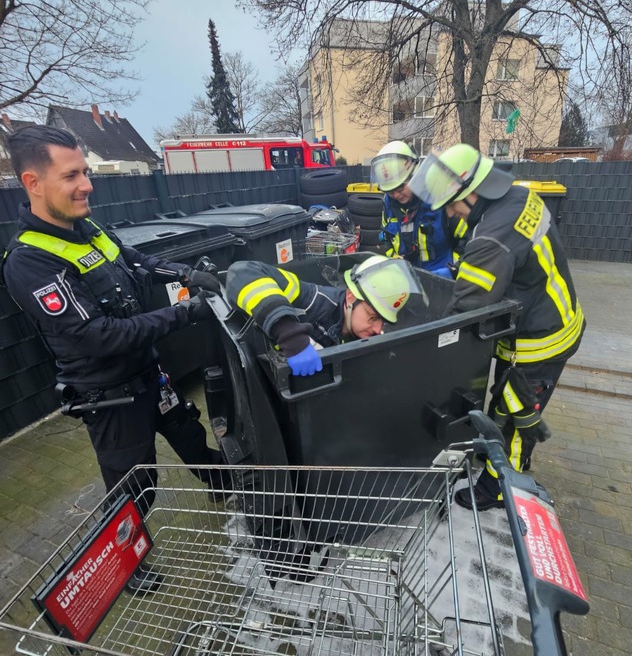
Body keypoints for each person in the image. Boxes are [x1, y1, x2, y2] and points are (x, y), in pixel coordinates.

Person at [1, 126, 232, 591]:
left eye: (85, 172)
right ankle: (123, 564)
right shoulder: (30, 262)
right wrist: (186, 311)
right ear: (33, 183)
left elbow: (138, 262)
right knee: (135, 488)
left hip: (149, 373)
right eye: (72, 175)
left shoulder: (86, 230)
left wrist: (187, 274)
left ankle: (224, 487)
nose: (87, 184)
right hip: (111, 397)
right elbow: (99, 336)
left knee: (191, 434)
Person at [409, 143, 585, 511]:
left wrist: (425, 344)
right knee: (508, 402)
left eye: (452, 205)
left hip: (537, 341)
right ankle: (500, 458)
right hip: (554, 315)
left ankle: (499, 487)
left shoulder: (491, 238)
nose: (451, 213)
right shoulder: (519, 197)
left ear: (472, 192)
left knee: (514, 417)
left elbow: (466, 310)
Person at [226, 255, 425, 375]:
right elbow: (242, 271)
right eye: (372, 317)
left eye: (383, 321)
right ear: (350, 296)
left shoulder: (357, 331)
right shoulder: (312, 300)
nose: (377, 329)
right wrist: (290, 335)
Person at [371, 140, 468, 277]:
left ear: (415, 175)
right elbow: (386, 237)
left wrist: (454, 270)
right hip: (409, 278)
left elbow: (467, 240)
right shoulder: (389, 204)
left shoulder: (438, 199)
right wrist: (394, 260)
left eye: (400, 188)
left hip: (443, 279)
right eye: (390, 191)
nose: (396, 195)